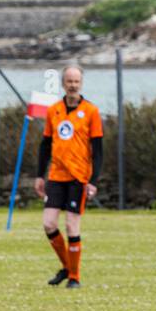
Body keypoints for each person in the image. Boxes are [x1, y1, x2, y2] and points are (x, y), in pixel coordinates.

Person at [33, 66, 102, 289]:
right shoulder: (53, 110)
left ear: (81, 83)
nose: (73, 85)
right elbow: (45, 145)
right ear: (63, 83)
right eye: (69, 81)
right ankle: (67, 267)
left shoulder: (91, 111)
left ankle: (75, 277)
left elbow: (98, 149)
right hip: (56, 176)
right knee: (48, 223)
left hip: (78, 177)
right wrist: (39, 175)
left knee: (72, 227)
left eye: (76, 81)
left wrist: (93, 180)